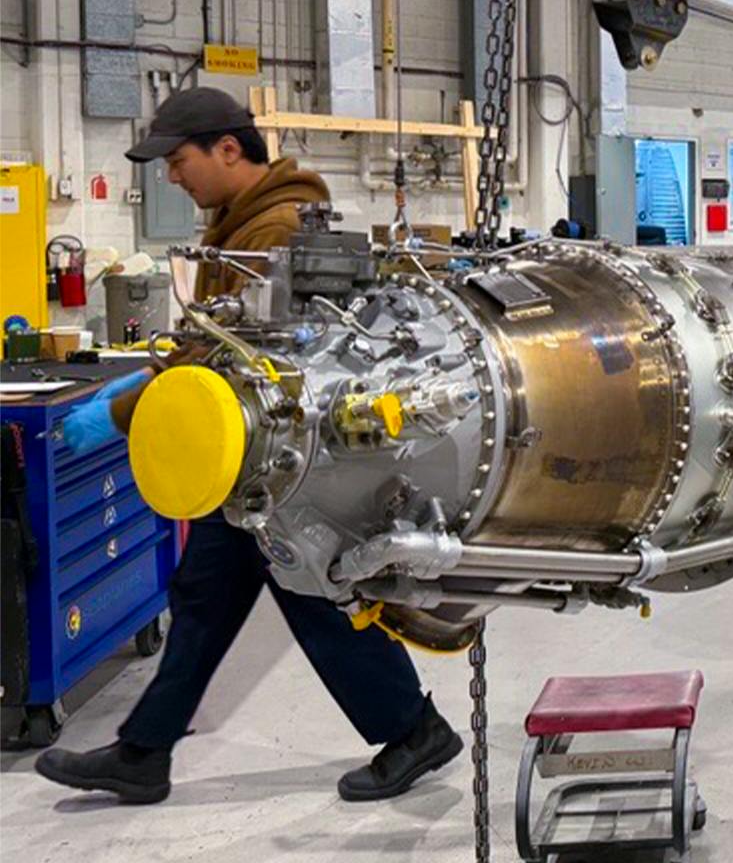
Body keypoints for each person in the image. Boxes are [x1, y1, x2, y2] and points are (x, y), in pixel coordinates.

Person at [35, 87, 461, 806]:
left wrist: (126, 412)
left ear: (228, 149)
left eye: (178, 160)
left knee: (306, 594)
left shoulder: (276, 229)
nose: (171, 177)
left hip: (279, 457)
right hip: (249, 456)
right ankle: (144, 752)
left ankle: (413, 729)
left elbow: (232, 358)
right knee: (205, 595)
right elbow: (212, 338)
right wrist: (146, 381)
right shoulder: (242, 223)